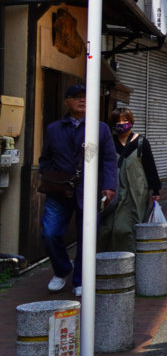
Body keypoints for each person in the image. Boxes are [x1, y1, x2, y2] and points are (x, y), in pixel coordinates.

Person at [38, 84, 118, 297]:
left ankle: (80, 279)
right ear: (67, 101)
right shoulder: (54, 129)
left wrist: (109, 186)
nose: (82, 100)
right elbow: (45, 157)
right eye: (76, 97)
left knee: (88, 236)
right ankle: (62, 269)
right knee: (50, 233)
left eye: (86, 97)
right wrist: (47, 174)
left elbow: (110, 159)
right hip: (59, 190)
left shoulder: (100, 128)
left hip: (90, 190)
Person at [98, 107, 160, 254]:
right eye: (118, 121)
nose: (121, 124)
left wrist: (155, 190)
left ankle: (133, 257)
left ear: (131, 122)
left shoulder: (141, 142)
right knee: (112, 226)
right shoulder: (109, 142)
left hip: (137, 190)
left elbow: (150, 166)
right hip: (115, 189)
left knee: (133, 223)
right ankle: (114, 258)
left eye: (125, 120)